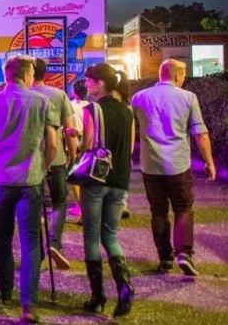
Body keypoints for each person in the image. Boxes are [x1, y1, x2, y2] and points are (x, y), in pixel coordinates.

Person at [0, 55, 58, 323]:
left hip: (0, 179)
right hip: (30, 179)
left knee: (3, 235)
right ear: (26, 74)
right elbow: (52, 144)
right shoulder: (42, 102)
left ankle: (5, 290)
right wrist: (45, 167)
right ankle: (28, 304)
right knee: (30, 240)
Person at [131, 58, 215, 277]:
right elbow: (200, 134)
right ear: (177, 75)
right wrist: (209, 162)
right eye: (183, 75)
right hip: (178, 164)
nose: (184, 79)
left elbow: (130, 128)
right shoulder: (188, 97)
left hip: (150, 165)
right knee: (183, 207)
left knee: (158, 211)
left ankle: (165, 258)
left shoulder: (139, 97)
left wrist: (128, 155)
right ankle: (184, 253)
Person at [79, 63, 136, 316]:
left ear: (100, 83)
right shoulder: (128, 111)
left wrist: (75, 139)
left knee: (91, 236)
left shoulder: (92, 109)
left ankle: (98, 295)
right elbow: (130, 147)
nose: (86, 85)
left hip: (97, 179)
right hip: (120, 180)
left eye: (89, 81)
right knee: (111, 236)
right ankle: (125, 286)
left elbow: (87, 145)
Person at [30, 58, 76, 270]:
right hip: (56, 158)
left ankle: (37, 253)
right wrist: (72, 155)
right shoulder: (59, 95)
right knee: (59, 200)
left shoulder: (25, 95)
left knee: (34, 204)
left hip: (32, 160)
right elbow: (69, 130)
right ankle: (54, 242)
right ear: (46, 73)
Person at [67, 80, 89, 220]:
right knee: (84, 177)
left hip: (74, 144)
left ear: (74, 91)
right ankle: (81, 206)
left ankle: (81, 209)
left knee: (74, 178)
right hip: (87, 144)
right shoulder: (89, 105)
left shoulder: (71, 105)